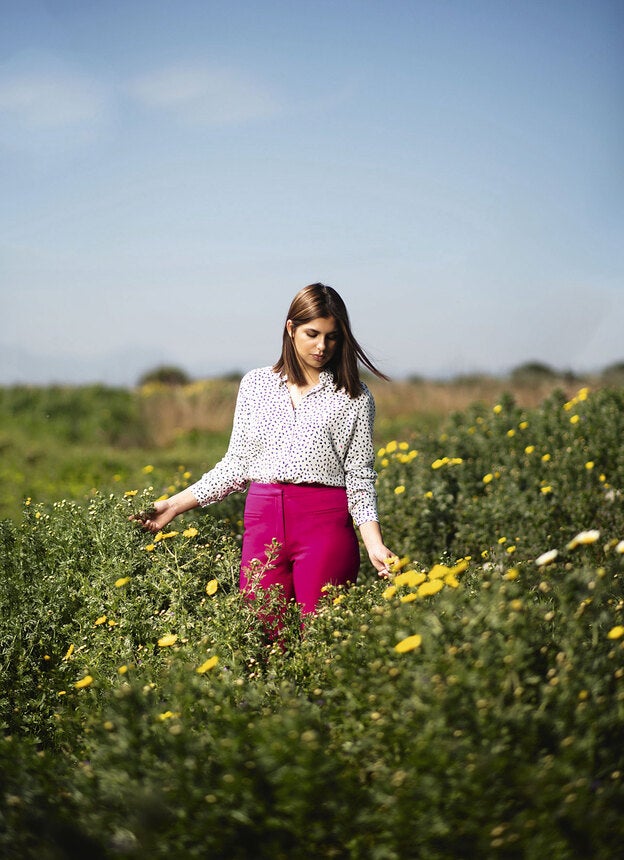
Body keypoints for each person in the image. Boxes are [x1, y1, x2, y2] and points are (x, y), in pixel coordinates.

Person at [137, 283, 396, 616]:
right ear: (291, 328)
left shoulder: (355, 397)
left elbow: (359, 477)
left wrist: (374, 543)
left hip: (324, 526)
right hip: (262, 523)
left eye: (332, 337)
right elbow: (235, 466)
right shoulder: (256, 385)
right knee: (262, 635)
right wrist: (172, 506)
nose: (322, 346)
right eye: (312, 334)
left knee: (320, 636)